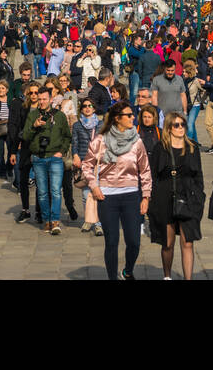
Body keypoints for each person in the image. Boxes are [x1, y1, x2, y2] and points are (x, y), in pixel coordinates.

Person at [82, 100, 152, 280]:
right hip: (107, 197)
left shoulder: (137, 142)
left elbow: (144, 170)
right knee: (112, 242)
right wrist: (94, 186)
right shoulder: (100, 140)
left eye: (132, 115)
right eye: (128, 115)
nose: (133, 118)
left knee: (134, 242)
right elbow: (86, 166)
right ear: (116, 118)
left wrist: (146, 196)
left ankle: (128, 271)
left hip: (131, 196)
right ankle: (112, 277)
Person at [148, 110, 203, 280]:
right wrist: (151, 200)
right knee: (168, 243)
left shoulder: (193, 147)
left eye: (183, 124)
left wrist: (199, 198)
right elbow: (153, 176)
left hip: (188, 198)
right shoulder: (160, 148)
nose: (180, 128)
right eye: (176, 125)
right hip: (165, 198)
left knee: (187, 242)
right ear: (169, 128)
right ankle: (167, 275)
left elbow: (199, 176)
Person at [22, 84, 72, 235]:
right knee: (42, 191)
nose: (42, 102)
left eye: (45, 99)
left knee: (56, 191)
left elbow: (67, 136)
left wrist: (61, 151)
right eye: (40, 99)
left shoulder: (59, 116)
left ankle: (55, 220)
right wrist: (34, 126)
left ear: (51, 99)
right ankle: (47, 220)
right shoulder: (32, 115)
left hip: (55, 157)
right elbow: (25, 136)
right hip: (38, 158)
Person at [70, 95, 102, 237]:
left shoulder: (101, 124)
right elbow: (75, 143)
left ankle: (98, 223)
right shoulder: (77, 125)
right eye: (85, 106)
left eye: (90, 106)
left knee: (98, 192)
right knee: (84, 194)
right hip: (84, 162)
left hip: (99, 163)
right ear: (81, 109)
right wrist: (75, 155)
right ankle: (88, 220)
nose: (87, 108)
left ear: (94, 108)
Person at [9, 83, 40, 223]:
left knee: (41, 181)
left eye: (36, 92)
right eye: (31, 93)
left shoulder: (44, 109)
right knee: (23, 179)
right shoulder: (24, 109)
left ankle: (39, 210)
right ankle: (25, 209)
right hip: (25, 147)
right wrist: (13, 151)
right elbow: (17, 131)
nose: (33, 95)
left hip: (40, 148)